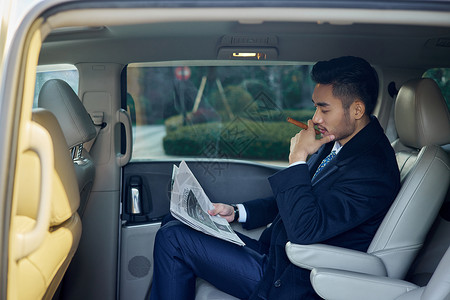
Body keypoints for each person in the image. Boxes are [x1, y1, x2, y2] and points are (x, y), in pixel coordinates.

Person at [150, 56, 401, 300]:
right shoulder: (338, 141)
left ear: (357, 109)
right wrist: (237, 212)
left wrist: (298, 159)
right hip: (275, 256)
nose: (315, 119)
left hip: (296, 280)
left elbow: (306, 230)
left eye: (324, 108)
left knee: (172, 239)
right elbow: (295, 201)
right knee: (174, 218)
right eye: (315, 106)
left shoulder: (373, 169)